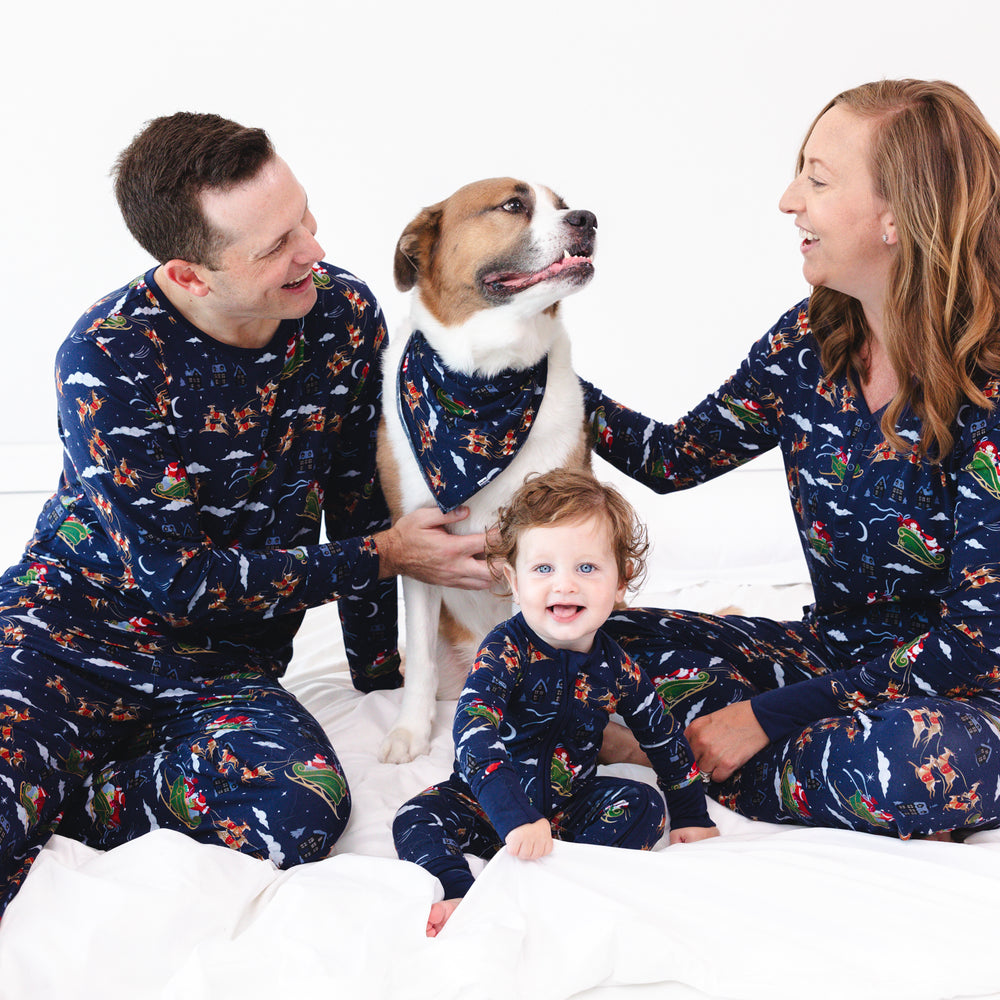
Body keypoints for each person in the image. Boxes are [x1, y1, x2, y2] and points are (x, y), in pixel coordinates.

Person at [0, 112, 491, 914]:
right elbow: (176, 582)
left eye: (304, 217)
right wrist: (386, 557)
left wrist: (378, 670)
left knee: (298, 818)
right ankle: (40, 779)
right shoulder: (107, 354)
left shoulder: (341, 315)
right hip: (66, 634)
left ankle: (73, 792)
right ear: (190, 274)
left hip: (223, 665)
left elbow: (356, 499)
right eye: (276, 247)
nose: (315, 251)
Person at [586, 79, 1000, 840]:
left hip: (969, 693)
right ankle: (754, 758)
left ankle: (673, 747)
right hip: (834, 658)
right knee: (587, 640)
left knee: (918, 763)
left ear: (899, 215)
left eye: (817, 177)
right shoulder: (809, 339)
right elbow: (675, 458)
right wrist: (533, 372)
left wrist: (763, 716)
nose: (788, 200)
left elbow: (975, 644)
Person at [393, 469, 718, 938]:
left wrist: (691, 812)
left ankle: (560, 881)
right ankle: (464, 893)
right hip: (486, 803)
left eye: (586, 568)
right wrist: (513, 817)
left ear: (621, 579)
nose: (564, 585)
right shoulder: (505, 649)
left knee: (644, 804)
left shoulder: (616, 667)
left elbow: (662, 734)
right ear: (513, 578)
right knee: (416, 817)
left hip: (569, 807)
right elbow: (473, 730)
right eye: (543, 569)